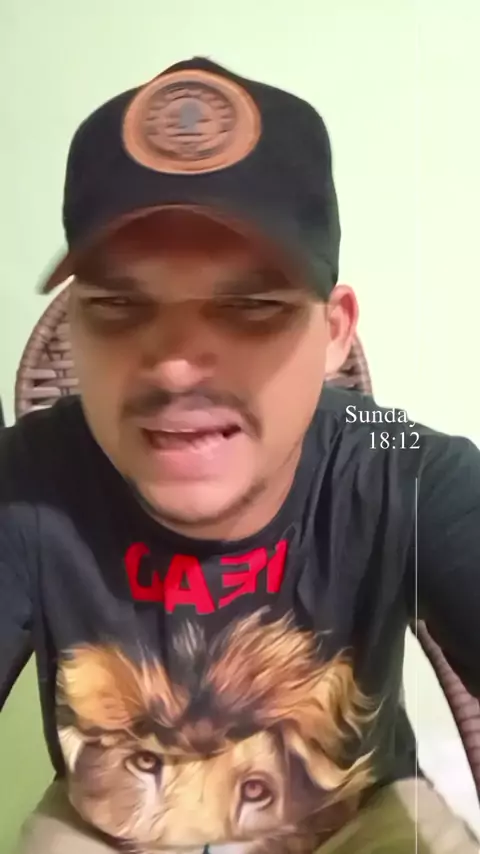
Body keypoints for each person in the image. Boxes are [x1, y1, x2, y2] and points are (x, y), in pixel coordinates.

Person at [1, 56, 479, 854]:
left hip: (355, 815)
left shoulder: (392, 455)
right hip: (111, 826)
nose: (175, 367)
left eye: (252, 305)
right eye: (119, 304)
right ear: (75, 323)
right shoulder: (27, 477)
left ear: (334, 332)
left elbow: (443, 487)